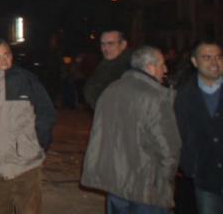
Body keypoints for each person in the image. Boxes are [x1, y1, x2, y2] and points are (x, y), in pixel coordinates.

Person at [81, 45, 181, 213]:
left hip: (115, 183)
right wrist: (164, 180)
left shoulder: (111, 90)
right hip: (146, 187)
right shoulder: (156, 97)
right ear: (150, 67)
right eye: (162, 64)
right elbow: (169, 148)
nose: (165, 69)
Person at [0, 39, 56, 214]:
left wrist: (37, 143)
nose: (4, 60)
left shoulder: (27, 80)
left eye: (7, 54)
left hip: (27, 164)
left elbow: (47, 113)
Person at [174, 41, 223, 213]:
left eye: (218, 57)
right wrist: (190, 166)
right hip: (205, 179)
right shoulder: (184, 96)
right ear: (194, 62)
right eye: (207, 57)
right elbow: (180, 134)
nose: (214, 62)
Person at [84, 30, 131, 108]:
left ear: (123, 44)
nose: (106, 48)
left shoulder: (130, 68)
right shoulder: (103, 66)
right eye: (103, 44)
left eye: (111, 44)